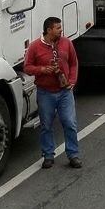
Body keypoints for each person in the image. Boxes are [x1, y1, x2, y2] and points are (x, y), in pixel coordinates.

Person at [23, 16, 80, 169]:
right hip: (45, 93)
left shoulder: (66, 43)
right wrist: (42, 69)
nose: (61, 30)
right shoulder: (35, 47)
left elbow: (74, 63)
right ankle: (48, 155)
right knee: (46, 125)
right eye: (58, 28)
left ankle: (73, 155)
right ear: (49, 30)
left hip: (65, 92)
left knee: (69, 122)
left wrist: (72, 80)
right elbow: (27, 67)